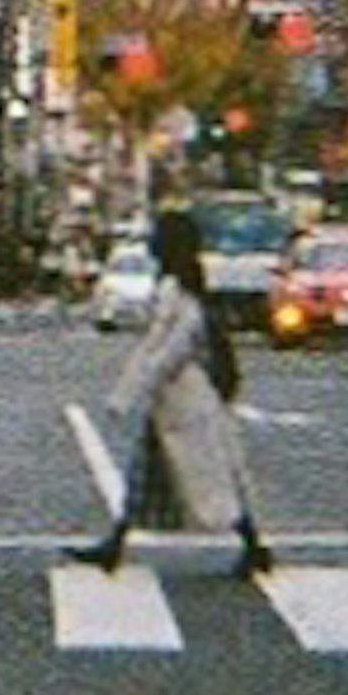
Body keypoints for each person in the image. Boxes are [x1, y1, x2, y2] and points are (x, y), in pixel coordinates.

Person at [74, 198, 269, 577]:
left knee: (209, 473)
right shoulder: (182, 285)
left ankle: (251, 541)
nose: (150, 244)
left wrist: (134, 389)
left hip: (185, 395)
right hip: (177, 395)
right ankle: (116, 543)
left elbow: (171, 346)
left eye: (157, 238)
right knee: (151, 472)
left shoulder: (177, 289)